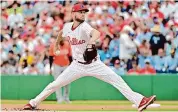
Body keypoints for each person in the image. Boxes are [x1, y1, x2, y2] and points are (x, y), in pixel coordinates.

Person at [23, 3, 156, 111]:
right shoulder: (68, 27)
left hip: (94, 64)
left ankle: (139, 101)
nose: (83, 14)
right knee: (54, 84)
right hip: (76, 65)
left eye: (84, 12)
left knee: (117, 80)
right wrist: (57, 44)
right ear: (73, 14)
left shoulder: (84, 26)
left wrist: (91, 41)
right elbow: (60, 34)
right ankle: (33, 103)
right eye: (80, 12)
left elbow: (96, 33)